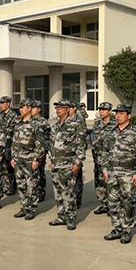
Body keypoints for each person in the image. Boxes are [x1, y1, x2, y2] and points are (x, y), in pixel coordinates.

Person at [101, 104, 136, 244]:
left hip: (128, 173)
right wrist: (105, 169)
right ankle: (117, 228)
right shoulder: (111, 133)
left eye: (122, 113)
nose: (118, 116)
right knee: (113, 202)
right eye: (117, 113)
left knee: (128, 202)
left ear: (129, 116)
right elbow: (104, 152)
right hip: (112, 172)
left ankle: (127, 229)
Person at [48, 99, 86, 231]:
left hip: (68, 163)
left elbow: (81, 146)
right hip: (56, 163)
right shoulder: (55, 126)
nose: (58, 110)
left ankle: (70, 218)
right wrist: (51, 160)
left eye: (61, 107)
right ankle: (61, 216)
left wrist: (77, 163)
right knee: (57, 192)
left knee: (68, 192)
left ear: (68, 109)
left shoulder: (75, 125)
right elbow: (51, 145)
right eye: (57, 107)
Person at [11, 98, 45, 220]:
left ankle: (31, 209)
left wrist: (36, 159)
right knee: (21, 185)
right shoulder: (18, 124)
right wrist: (13, 157)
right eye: (19, 107)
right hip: (18, 159)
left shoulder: (36, 124)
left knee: (31, 185)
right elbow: (14, 142)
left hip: (30, 159)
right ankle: (24, 207)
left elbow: (40, 144)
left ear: (29, 108)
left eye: (22, 107)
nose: (20, 109)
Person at [91, 102, 115, 215]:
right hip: (98, 158)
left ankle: (112, 206)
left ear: (110, 111)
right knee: (99, 182)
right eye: (100, 109)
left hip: (109, 159)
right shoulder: (97, 124)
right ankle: (104, 204)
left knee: (110, 183)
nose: (101, 112)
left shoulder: (115, 124)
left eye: (104, 110)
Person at [31, 101, 50, 202]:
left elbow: (47, 138)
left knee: (40, 173)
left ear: (39, 109)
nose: (32, 110)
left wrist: (45, 152)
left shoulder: (43, 122)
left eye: (34, 108)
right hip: (30, 152)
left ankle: (41, 192)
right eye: (31, 108)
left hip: (40, 151)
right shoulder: (29, 121)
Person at [0, 96, 17, 196]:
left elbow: (13, 130)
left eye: (3, 103)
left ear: (8, 103)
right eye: (0, 103)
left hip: (9, 144)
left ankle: (12, 186)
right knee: (3, 167)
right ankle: (6, 186)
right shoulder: (0, 115)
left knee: (10, 167)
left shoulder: (12, 115)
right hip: (2, 144)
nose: (1, 105)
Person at [69, 101, 86, 208]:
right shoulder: (64, 119)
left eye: (70, 107)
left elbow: (82, 140)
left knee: (77, 179)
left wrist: (79, 158)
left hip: (76, 154)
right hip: (66, 156)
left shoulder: (79, 120)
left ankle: (78, 200)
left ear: (74, 108)